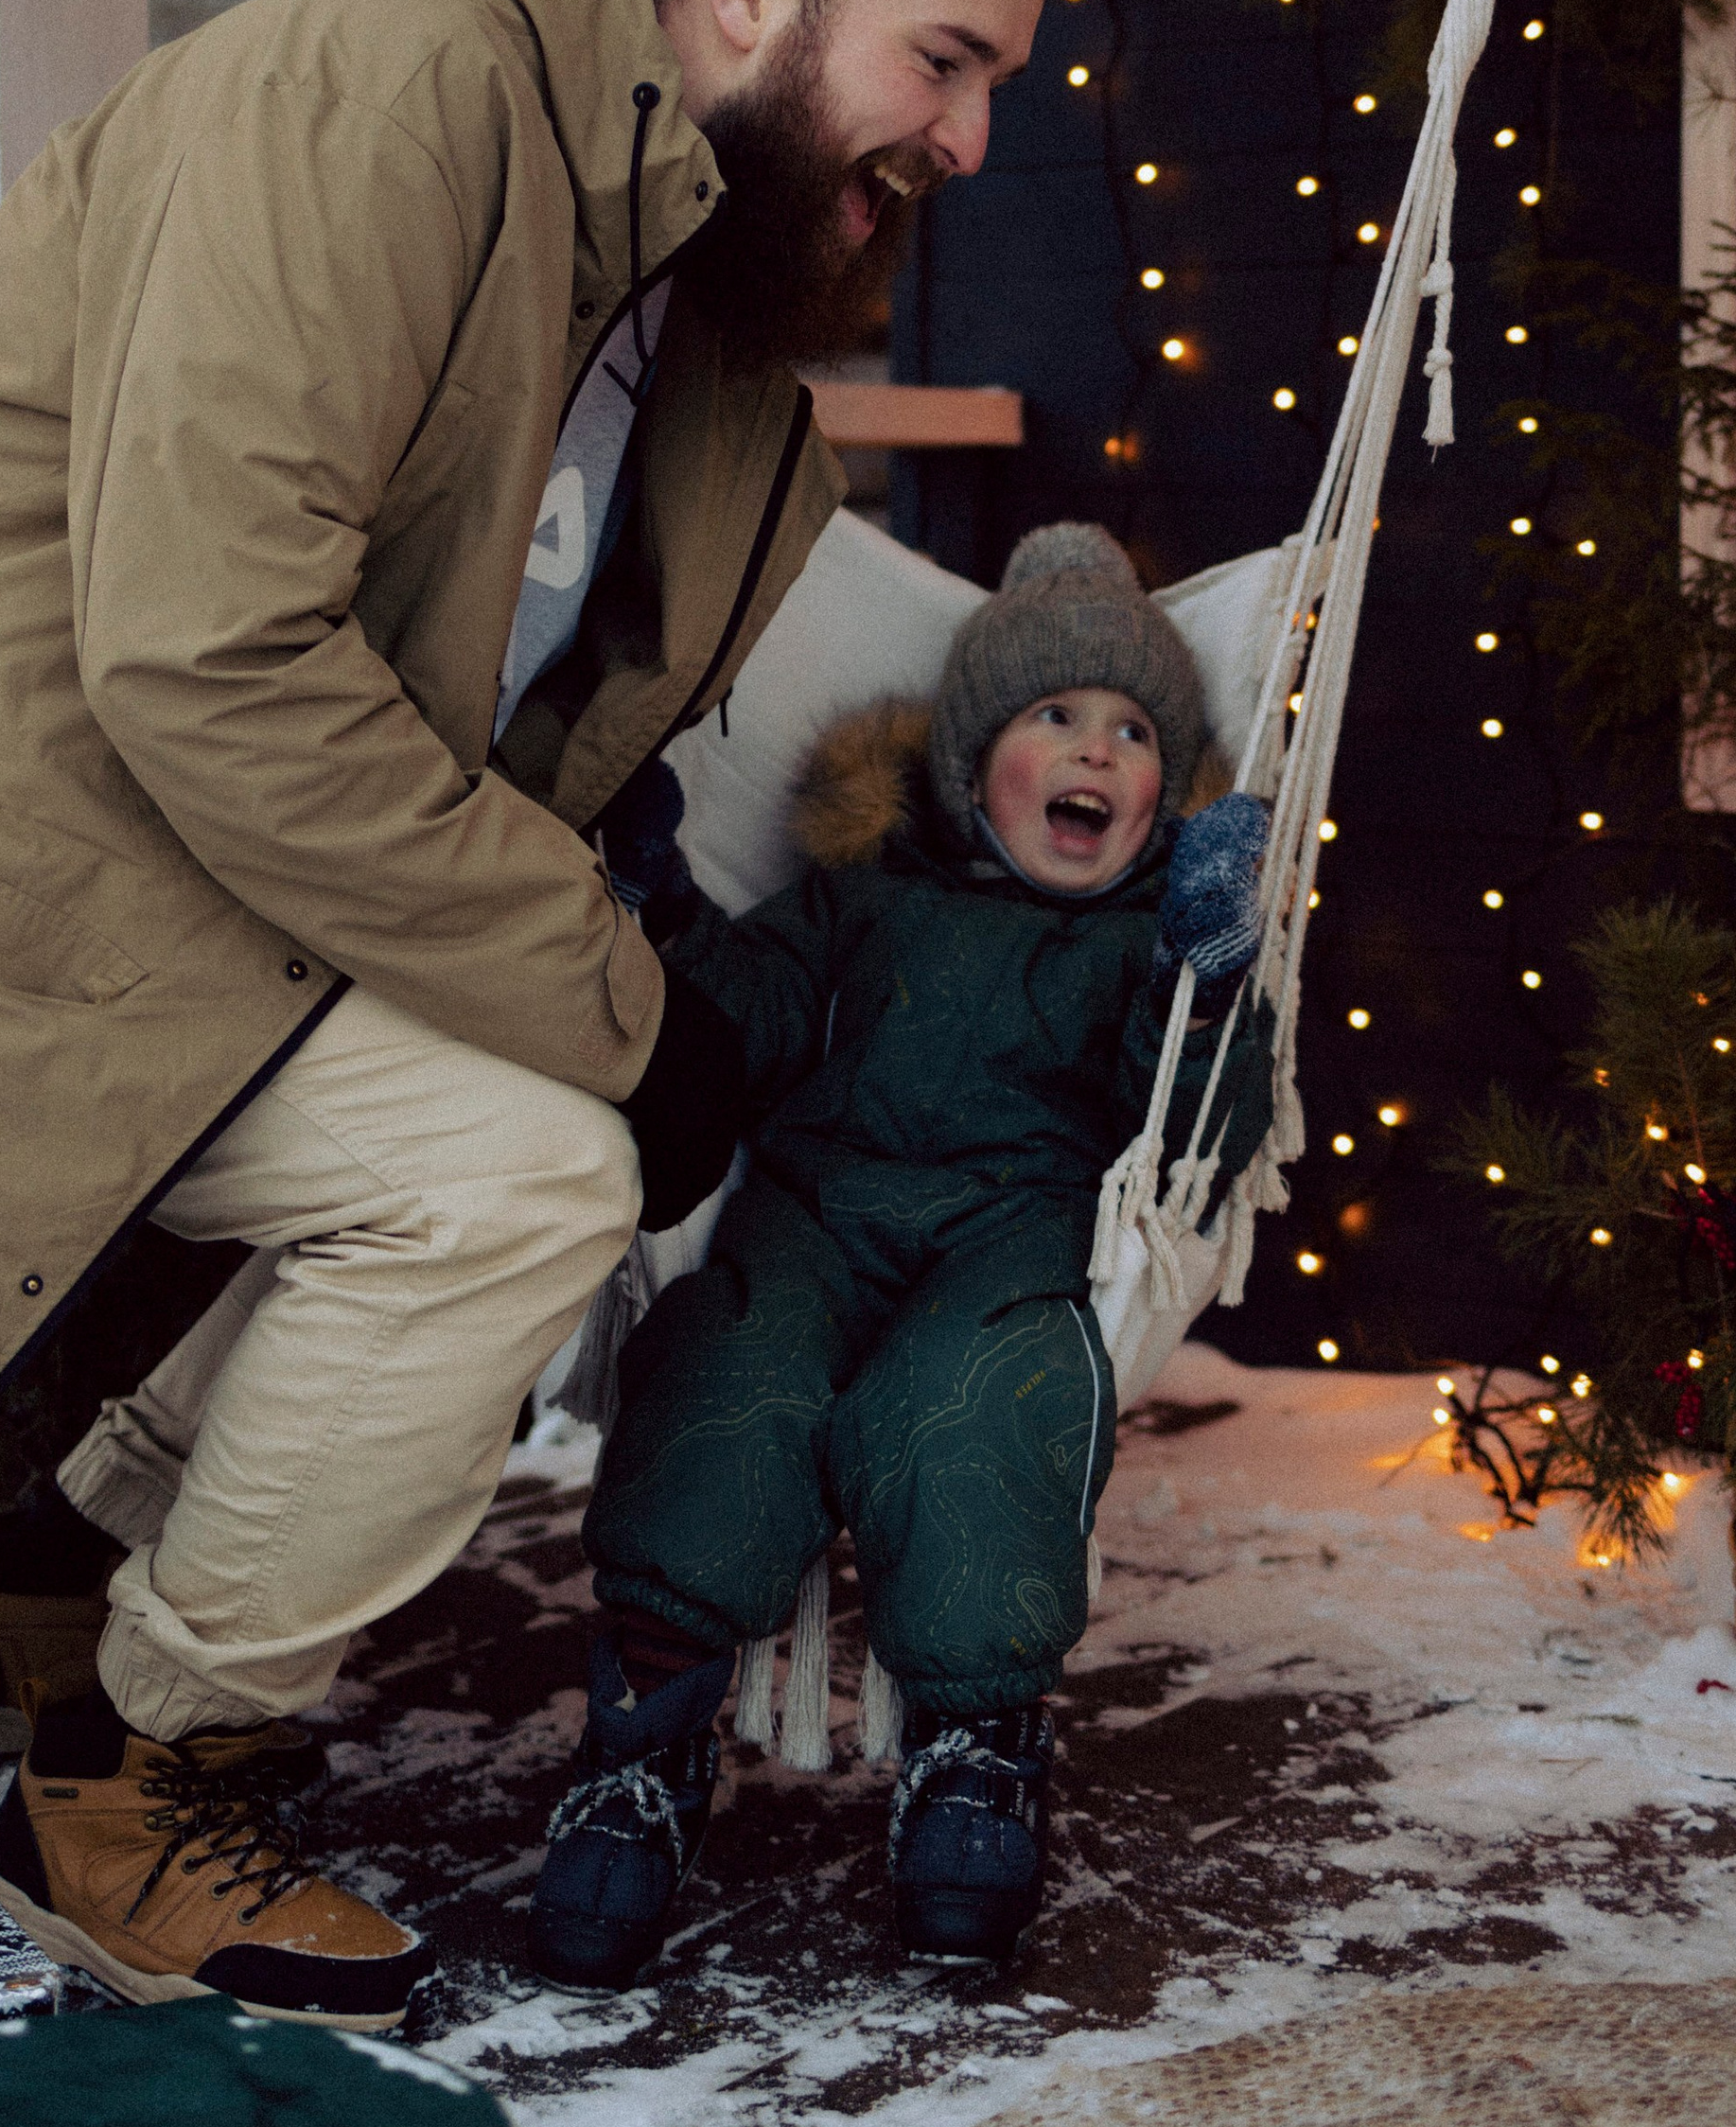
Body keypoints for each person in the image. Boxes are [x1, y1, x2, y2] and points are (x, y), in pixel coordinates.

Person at [0, 0, 1060, 2023]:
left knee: (512, 1109)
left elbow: (528, 754)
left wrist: (639, 974)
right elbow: (209, 651)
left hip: (177, 876)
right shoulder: (394, 89)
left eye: (992, 88)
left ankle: (33, 1586)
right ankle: (134, 1784)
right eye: (940, 61)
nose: (964, 139)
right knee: (513, 1179)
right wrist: (614, 1013)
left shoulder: (705, 354)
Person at [527, 522, 1273, 1989]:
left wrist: (1208, 973)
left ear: (1163, 792)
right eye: (1054, 716)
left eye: (1135, 733)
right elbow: (731, 1023)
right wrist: (657, 901)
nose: (1096, 751)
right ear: (969, 763)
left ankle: (975, 1748)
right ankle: (641, 1752)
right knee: (727, 1373)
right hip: (811, 1218)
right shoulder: (859, 898)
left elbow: (1193, 1135)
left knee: (982, 1402)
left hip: (1009, 1236)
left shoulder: (1142, 948)